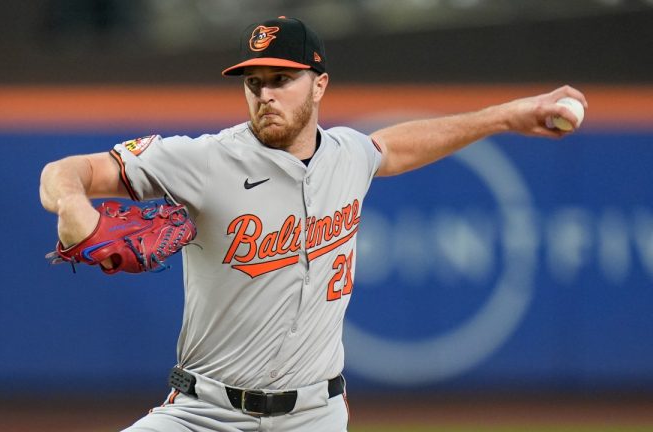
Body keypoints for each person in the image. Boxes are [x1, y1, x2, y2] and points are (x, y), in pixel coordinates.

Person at [40, 16, 587, 432]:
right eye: (254, 82)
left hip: (314, 416)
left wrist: (509, 115)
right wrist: (73, 207)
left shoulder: (348, 155)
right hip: (204, 415)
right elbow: (65, 171)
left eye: (282, 78)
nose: (265, 94)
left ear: (319, 85)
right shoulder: (203, 160)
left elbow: (395, 146)